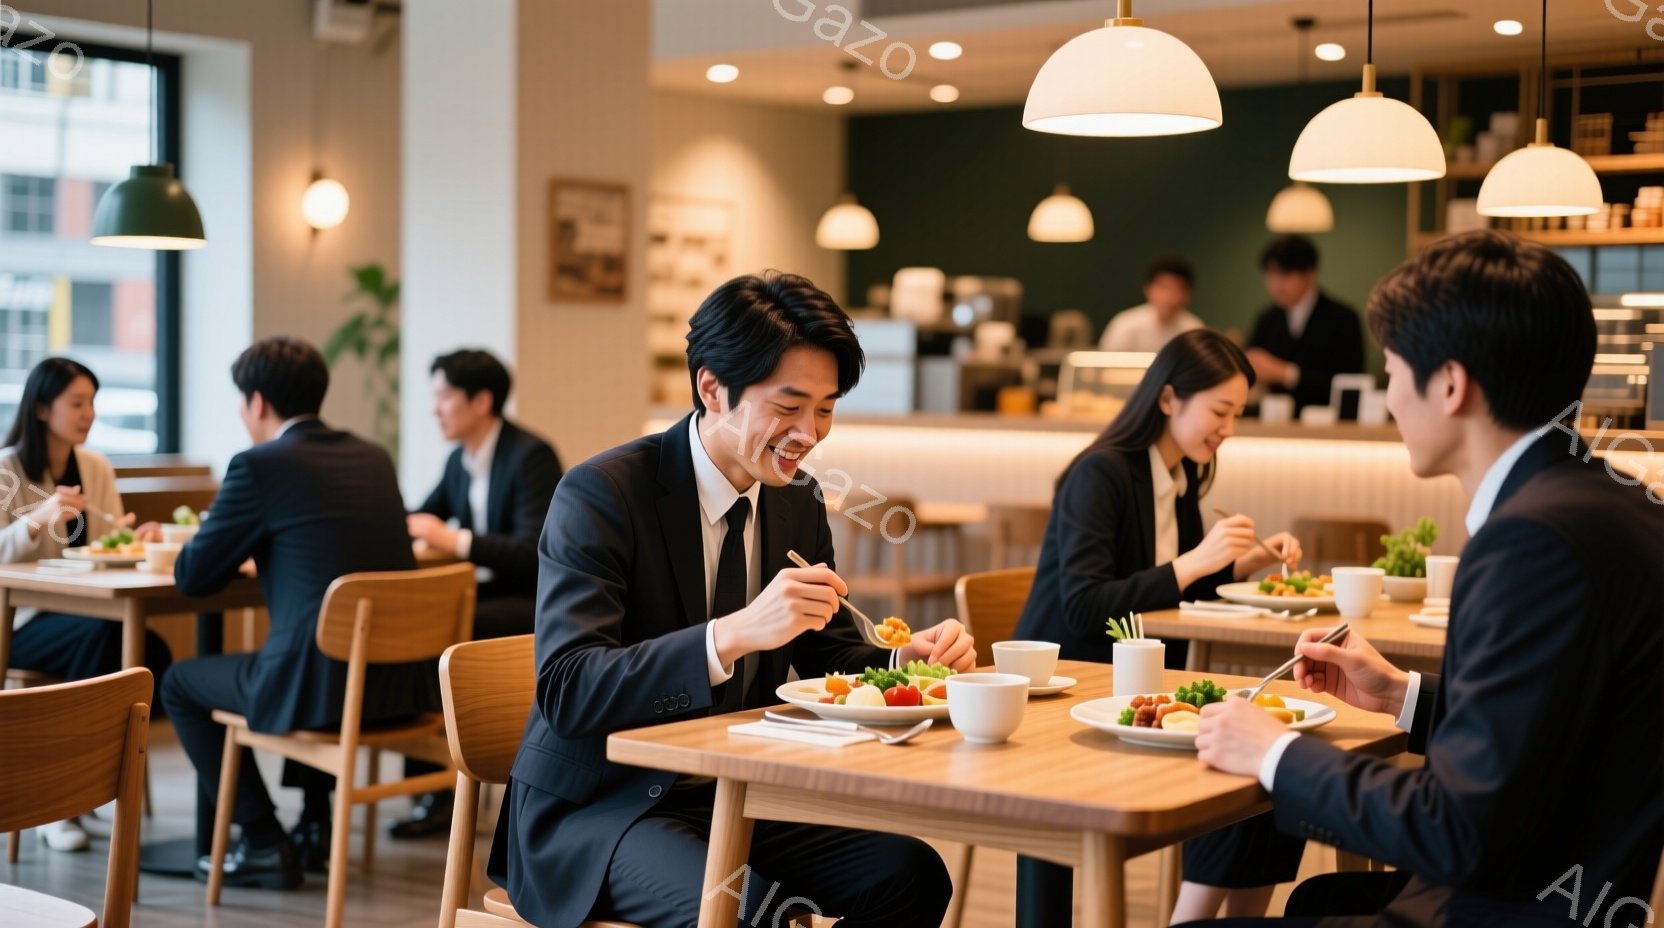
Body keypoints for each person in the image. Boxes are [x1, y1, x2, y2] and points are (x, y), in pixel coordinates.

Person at [1188, 230, 1663, 926]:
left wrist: (1276, 753)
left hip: (1498, 907)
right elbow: (1549, 734)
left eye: (1391, 370)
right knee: (1316, 901)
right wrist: (1404, 695)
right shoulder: (1616, 504)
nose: (1386, 398)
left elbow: (1460, 830)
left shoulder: (1528, 540)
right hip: (1572, 899)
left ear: (1448, 383)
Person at [490, 271, 972, 928]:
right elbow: (570, 690)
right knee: (749, 914)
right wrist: (734, 634)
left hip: (719, 803)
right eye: (788, 406)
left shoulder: (797, 501)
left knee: (907, 876)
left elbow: (827, 650)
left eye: (826, 409)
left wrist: (905, 666)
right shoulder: (603, 493)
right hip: (597, 811)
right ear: (712, 387)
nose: (809, 433)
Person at [1011, 328, 1308, 925]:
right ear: (1169, 399)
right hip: (1069, 682)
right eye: (1219, 411)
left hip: (1135, 683)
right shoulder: (1101, 472)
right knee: (1232, 766)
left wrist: (1243, 561)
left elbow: (1172, 587)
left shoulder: (1179, 476)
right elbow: (1087, 606)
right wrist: (1199, 560)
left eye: (1237, 413)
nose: (1228, 427)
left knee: (1268, 767)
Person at [161, 337, 439, 889]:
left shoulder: (260, 465)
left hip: (321, 688)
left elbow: (193, 577)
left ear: (257, 403)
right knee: (305, 645)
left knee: (178, 683)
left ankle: (264, 840)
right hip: (398, 687)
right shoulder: (372, 456)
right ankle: (314, 825)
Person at [0, 357, 172, 853]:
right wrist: (39, 518)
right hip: (21, 619)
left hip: (86, 610)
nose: (88, 413)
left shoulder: (94, 467)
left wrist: (134, 538)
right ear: (40, 408)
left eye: (92, 402)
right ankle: (54, 800)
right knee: (106, 643)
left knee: (149, 651)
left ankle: (82, 787)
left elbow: (110, 541)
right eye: (76, 403)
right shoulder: (8, 470)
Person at [391, 348, 563, 840]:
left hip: (533, 602)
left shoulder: (530, 456)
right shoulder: (458, 461)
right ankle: (434, 786)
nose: (435, 409)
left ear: (481, 400)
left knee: (431, 633)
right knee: (421, 628)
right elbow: (418, 516)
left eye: (444, 397)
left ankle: (443, 785)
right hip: (488, 596)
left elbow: (537, 552)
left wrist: (454, 540)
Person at [1245, 236, 1365, 414]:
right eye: (1271, 274)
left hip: (1328, 422)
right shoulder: (1267, 319)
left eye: (1285, 274)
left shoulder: (1343, 318)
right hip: (1274, 421)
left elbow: (1350, 382)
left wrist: (1287, 374)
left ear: (1310, 274)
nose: (1276, 284)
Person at [1100, 255, 1207, 353]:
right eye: (1165, 288)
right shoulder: (1125, 324)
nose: (1171, 297)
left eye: (1179, 289)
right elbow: (1106, 366)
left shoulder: (1194, 328)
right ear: (1148, 289)